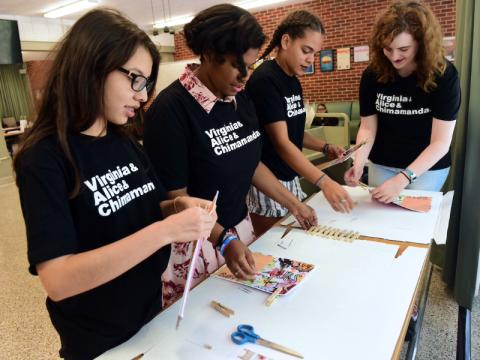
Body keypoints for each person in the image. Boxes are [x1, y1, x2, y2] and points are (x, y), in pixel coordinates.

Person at [13, 9, 217, 360]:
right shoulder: (44, 157)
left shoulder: (122, 139)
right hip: (99, 337)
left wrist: (177, 208)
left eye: (147, 83)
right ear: (93, 66)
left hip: (151, 310)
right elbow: (58, 280)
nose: (142, 95)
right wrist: (166, 231)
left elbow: (142, 208)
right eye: (135, 79)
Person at [143, 4, 316, 307]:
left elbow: (248, 162)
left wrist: (294, 204)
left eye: (250, 66)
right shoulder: (170, 111)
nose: (245, 76)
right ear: (209, 53)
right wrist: (224, 239)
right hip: (197, 245)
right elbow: (175, 200)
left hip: (239, 233)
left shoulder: (239, 97)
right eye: (238, 66)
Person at [245, 10, 355, 236]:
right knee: (273, 245)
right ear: (286, 41)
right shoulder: (265, 80)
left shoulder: (293, 81)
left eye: (314, 54)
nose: (310, 60)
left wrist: (325, 147)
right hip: (268, 181)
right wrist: (324, 182)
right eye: (306, 51)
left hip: (289, 176)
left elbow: (295, 133)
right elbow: (282, 143)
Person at [344, 0, 460, 202]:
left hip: (427, 168)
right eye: (387, 49)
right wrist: (358, 162)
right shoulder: (372, 75)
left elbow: (440, 143)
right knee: (381, 219)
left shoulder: (443, 75)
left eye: (403, 49)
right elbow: (368, 128)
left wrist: (402, 179)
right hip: (382, 162)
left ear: (421, 44)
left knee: (413, 226)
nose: (394, 56)